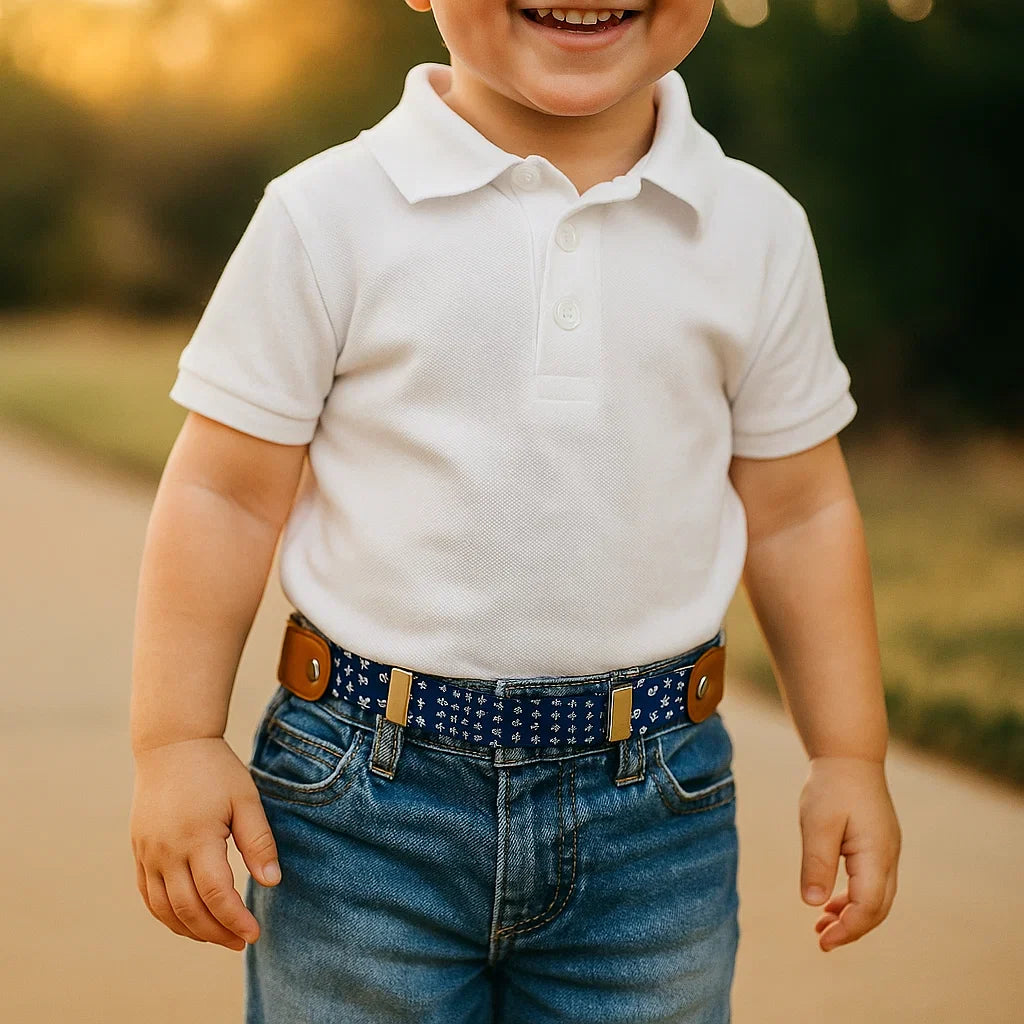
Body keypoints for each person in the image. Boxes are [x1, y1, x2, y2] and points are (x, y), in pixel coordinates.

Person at [129, 2, 902, 1021]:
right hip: (362, 807)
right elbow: (222, 492)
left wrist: (849, 752)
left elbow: (800, 511)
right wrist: (176, 741)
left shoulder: (751, 228)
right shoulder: (328, 214)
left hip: (654, 815)